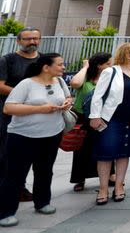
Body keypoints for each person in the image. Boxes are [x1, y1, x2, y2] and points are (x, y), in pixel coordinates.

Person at [0, 53, 72, 227]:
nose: (63, 67)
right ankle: (6, 211)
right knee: (15, 174)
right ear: (46, 67)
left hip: (52, 134)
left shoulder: (60, 82)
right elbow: (8, 108)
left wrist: (67, 103)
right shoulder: (27, 84)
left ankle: (42, 202)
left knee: (45, 170)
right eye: (60, 64)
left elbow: (68, 97)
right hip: (23, 136)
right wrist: (40, 109)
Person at [89, 43, 130, 205]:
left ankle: (119, 186)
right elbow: (97, 95)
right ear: (128, 55)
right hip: (112, 118)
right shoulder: (110, 72)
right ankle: (103, 188)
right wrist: (95, 116)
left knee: (125, 152)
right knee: (106, 153)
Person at [0, 27, 41, 202]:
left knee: (27, 154)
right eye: (27, 39)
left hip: (34, 116)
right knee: (6, 153)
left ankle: (20, 187)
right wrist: (24, 96)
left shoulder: (43, 61)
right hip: (9, 114)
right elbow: (0, 86)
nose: (32, 42)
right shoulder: (7, 60)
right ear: (18, 41)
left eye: (35, 38)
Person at [69, 52, 113, 192]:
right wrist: (86, 67)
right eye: (107, 64)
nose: (110, 66)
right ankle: (79, 178)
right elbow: (75, 83)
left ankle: (110, 175)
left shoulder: (110, 78)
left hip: (103, 118)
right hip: (84, 118)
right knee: (82, 149)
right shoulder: (86, 77)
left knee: (105, 147)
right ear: (99, 66)